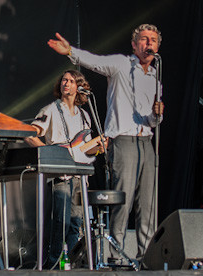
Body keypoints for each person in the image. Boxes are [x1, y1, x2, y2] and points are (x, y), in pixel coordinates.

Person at [48, 25, 163, 259]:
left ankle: (146, 256)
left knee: (148, 203)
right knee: (124, 199)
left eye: (153, 40)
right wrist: (70, 51)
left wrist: (157, 114)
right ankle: (116, 255)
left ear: (157, 46)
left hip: (147, 141)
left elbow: (152, 120)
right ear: (134, 44)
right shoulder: (122, 64)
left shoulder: (155, 78)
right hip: (123, 140)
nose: (148, 44)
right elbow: (95, 61)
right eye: (143, 40)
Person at [26, 70, 106, 268]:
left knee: (76, 223)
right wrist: (48, 153)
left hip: (80, 176)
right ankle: (52, 264)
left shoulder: (85, 116)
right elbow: (30, 134)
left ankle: (67, 261)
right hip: (60, 175)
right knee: (61, 222)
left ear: (79, 86)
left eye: (71, 81)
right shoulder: (51, 109)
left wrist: (99, 148)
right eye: (64, 80)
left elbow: (86, 150)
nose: (66, 83)